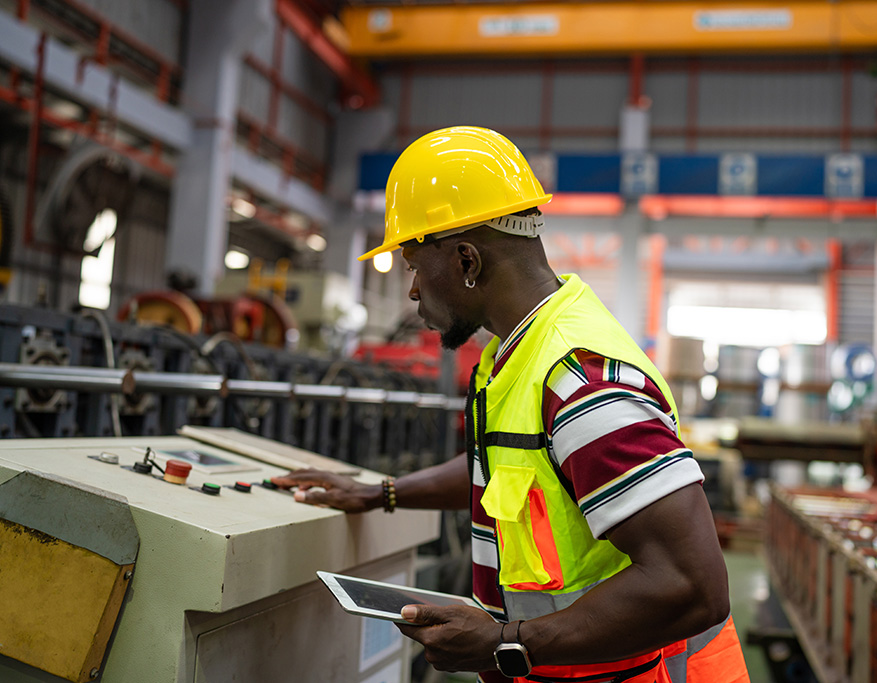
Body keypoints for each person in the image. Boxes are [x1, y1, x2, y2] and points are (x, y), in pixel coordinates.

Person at [272, 126, 749, 683]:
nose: (412, 291)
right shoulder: (513, 354)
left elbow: (692, 587)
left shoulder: (579, 382)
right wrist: (382, 492)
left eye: (412, 266)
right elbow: (506, 470)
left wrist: (506, 644)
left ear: (466, 260)